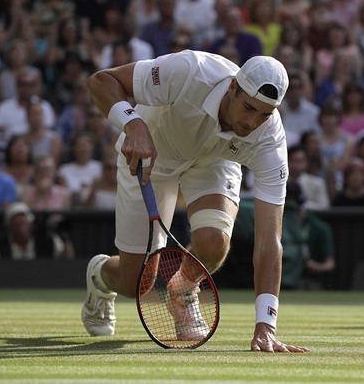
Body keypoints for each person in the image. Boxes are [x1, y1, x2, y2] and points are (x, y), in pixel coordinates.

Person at [83, 50, 309, 353]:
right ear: (232, 88)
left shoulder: (270, 140)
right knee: (136, 284)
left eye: (264, 115)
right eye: (248, 108)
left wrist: (265, 325)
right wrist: (133, 124)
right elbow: (101, 81)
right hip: (150, 154)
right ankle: (99, 275)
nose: (252, 122)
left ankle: (183, 291)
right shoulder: (191, 70)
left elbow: (270, 239)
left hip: (213, 161)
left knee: (214, 241)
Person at [281, 180, 335, 290]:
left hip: (310, 282)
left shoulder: (320, 228)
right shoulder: (277, 224)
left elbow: (330, 264)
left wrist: (316, 266)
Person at [0, 201, 74, 260]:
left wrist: (65, 237)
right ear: (9, 227)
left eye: (24, 223)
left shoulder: (47, 241)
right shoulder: (0, 248)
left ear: (31, 224)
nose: (21, 228)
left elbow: (67, 259)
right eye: (17, 224)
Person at [287, 144, 330, 210]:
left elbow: (324, 206)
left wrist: (303, 205)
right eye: (293, 161)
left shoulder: (318, 183)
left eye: (300, 161)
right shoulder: (279, 182)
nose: (297, 165)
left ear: (306, 162)